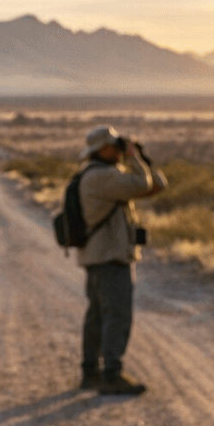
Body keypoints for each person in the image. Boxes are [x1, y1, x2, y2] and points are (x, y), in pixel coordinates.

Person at [74, 125, 166, 396]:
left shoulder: (99, 175)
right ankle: (111, 374)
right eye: (115, 146)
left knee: (98, 316)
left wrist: (141, 159)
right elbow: (142, 184)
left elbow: (156, 185)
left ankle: (91, 373)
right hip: (110, 257)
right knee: (116, 315)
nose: (118, 150)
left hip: (100, 256)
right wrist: (133, 158)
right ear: (104, 149)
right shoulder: (103, 177)